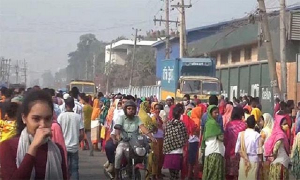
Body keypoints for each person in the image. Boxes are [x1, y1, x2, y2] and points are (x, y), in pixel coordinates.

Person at [0, 90, 67, 180]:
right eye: (36, 119)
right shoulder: (8, 147)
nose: (42, 124)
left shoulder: (57, 150)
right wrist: (33, 148)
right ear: (24, 118)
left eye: (47, 119)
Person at [114, 100, 156, 180]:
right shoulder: (121, 118)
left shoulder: (137, 118)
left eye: (132, 109)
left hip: (135, 141)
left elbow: (143, 128)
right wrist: (118, 136)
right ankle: (116, 174)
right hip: (124, 141)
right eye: (129, 109)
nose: (131, 110)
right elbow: (117, 129)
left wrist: (151, 137)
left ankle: (147, 173)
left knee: (145, 153)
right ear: (125, 109)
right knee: (118, 154)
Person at [57, 97, 84, 180]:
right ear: (73, 106)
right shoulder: (77, 117)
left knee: (64, 168)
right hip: (74, 147)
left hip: (63, 146)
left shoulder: (61, 116)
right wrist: (78, 141)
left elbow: (58, 131)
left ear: (65, 105)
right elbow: (82, 133)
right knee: (74, 169)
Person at [163, 104, 188, 180]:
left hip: (169, 151)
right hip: (177, 152)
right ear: (180, 114)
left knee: (172, 174)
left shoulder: (168, 124)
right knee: (176, 174)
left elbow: (166, 135)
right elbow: (185, 137)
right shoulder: (181, 124)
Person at [202, 105, 225, 180]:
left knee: (209, 173)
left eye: (218, 113)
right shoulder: (213, 124)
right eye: (215, 113)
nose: (217, 114)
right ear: (210, 113)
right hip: (216, 151)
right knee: (215, 174)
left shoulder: (207, 123)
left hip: (208, 151)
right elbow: (220, 137)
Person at [235, 115, 262, 179]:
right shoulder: (257, 135)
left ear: (246, 124)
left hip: (243, 160)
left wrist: (244, 156)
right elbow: (259, 151)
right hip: (253, 160)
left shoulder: (241, 134)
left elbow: (237, 150)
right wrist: (260, 161)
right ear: (255, 124)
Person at [264, 115, 290, 180]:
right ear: (279, 125)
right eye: (284, 124)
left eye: (286, 123)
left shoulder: (278, 134)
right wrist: (274, 156)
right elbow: (275, 148)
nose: (286, 125)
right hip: (280, 162)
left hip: (280, 161)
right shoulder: (280, 135)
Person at [224, 106, 247, 180]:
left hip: (229, 152)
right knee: (239, 174)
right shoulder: (244, 125)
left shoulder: (229, 125)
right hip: (241, 153)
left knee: (229, 174)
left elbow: (225, 139)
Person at [148, 103, 165, 180]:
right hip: (155, 140)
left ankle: (159, 172)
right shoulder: (152, 118)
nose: (158, 110)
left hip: (161, 139)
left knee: (161, 157)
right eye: (156, 108)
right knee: (155, 157)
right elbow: (151, 129)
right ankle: (154, 174)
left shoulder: (160, 118)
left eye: (159, 109)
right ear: (153, 109)